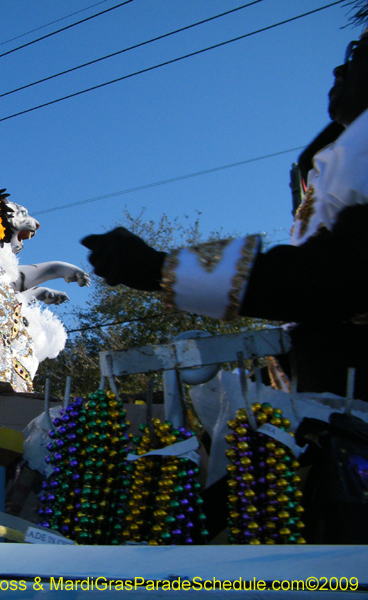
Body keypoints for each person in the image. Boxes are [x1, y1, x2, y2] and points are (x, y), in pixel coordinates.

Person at [81, 27, 368, 401]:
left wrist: (162, 269)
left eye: (357, 53)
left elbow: (334, 278)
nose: (338, 70)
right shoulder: (337, 155)